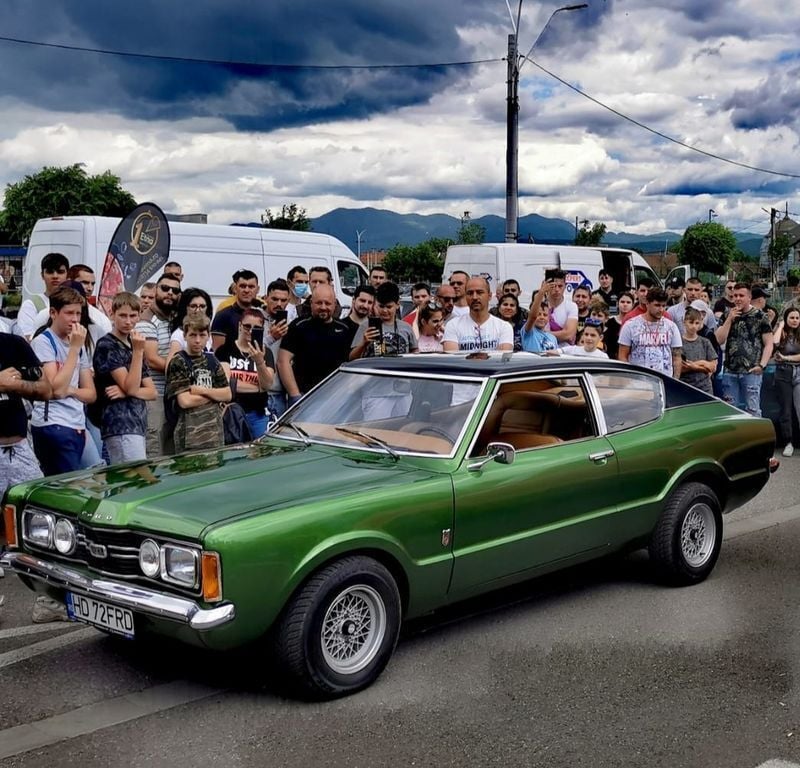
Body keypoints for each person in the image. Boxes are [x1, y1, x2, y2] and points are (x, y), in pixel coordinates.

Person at [29, 285, 97, 474]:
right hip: (52, 423)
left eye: (78, 313)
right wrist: (74, 349)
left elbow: (90, 393)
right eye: (69, 313)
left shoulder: (78, 344)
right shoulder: (43, 342)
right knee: (68, 484)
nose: (75, 319)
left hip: (77, 422)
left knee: (95, 474)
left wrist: (72, 391)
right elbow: (56, 390)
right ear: (53, 313)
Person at [92, 292, 157, 464]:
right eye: (122, 315)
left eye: (133, 316)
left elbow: (152, 392)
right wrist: (137, 352)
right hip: (119, 423)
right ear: (113, 315)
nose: (128, 321)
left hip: (137, 423)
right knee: (134, 478)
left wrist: (127, 392)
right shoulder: (107, 345)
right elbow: (131, 386)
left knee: (137, 477)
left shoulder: (134, 344)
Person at [166, 314, 231, 452]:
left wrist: (202, 391)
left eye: (202, 335)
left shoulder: (212, 361)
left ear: (208, 336)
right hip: (189, 435)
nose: (197, 340)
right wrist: (214, 396)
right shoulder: (179, 361)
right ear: (185, 336)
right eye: (193, 335)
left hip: (214, 434)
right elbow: (185, 401)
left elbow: (227, 394)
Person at [278, 284, 352, 405]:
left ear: (334, 304)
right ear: (311, 303)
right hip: (304, 397)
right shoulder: (298, 326)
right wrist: (295, 395)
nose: (323, 307)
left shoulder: (344, 329)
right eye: (319, 303)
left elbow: (348, 362)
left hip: (335, 397)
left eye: (327, 303)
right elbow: (283, 361)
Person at [135, 272, 181, 457]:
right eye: (165, 288)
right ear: (155, 290)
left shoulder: (171, 319)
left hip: (172, 395)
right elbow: (152, 359)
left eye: (175, 290)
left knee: (170, 450)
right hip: (154, 396)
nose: (170, 293)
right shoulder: (146, 321)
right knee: (154, 450)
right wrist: (182, 370)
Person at [0, 332, 51, 498]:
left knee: (37, 507)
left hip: (20, 448)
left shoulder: (14, 343)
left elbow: (46, 390)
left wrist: (15, 385)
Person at [714, 283, 774, 416]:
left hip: (752, 371)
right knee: (730, 410)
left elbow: (769, 343)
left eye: (741, 295)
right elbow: (719, 340)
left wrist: (762, 365)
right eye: (735, 295)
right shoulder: (727, 315)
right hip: (730, 370)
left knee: (753, 409)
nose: (737, 298)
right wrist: (729, 319)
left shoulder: (760, 316)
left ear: (749, 297)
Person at [216, 308, 274, 438]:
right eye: (247, 326)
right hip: (232, 412)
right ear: (239, 326)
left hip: (257, 413)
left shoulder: (266, 353)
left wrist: (259, 362)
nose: (251, 331)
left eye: (256, 328)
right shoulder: (225, 350)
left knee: (259, 452)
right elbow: (226, 382)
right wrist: (258, 388)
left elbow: (268, 384)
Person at [618, 287, 682, 378]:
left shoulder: (671, 327)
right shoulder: (630, 325)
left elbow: (677, 357)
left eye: (663, 306)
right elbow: (622, 356)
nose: (661, 310)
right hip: (638, 381)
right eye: (657, 305)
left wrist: (675, 381)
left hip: (665, 381)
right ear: (647, 304)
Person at [443, 277, 513, 352]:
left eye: (479, 292)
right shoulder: (453, 325)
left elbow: (503, 359)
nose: (474, 297)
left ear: (489, 296)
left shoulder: (504, 327)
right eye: (470, 293)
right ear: (466, 297)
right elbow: (452, 359)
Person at [351, 281, 418, 359]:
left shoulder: (406, 327)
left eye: (389, 307)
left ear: (397, 305)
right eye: (381, 306)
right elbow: (352, 358)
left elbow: (415, 353)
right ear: (376, 304)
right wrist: (363, 343)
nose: (385, 311)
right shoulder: (366, 326)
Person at [16, 253, 68, 340]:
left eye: (60, 272)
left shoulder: (74, 305)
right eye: (50, 272)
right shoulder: (31, 305)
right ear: (42, 275)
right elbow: (27, 339)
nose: (55, 276)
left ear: (67, 275)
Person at [262, 278, 292, 419]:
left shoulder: (290, 324)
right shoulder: (255, 321)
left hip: (282, 393)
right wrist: (271, 337)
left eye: (283, 300)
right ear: (266, 298)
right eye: (274, 299)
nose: (279, 304)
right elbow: (247, 351)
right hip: (261, 391)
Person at [772, 307, 800, 456]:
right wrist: (781, 325)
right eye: (792, 318)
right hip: (783, 373)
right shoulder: (781, 332)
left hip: (798, 371)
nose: (795, 320)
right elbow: (775, 343)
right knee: (786, 409)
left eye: (797, 318)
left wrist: (786, 358)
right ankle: (788, 442)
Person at [211, 270, 261, 351]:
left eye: (251, 287)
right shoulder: (223, 316)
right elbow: (218, 353)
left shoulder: (261, 315)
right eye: (242, 286)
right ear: (235, 288)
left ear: (258, 289)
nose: (246, 290)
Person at [529, 271, 578, 346]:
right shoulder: (539, 305)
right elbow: (531, 330)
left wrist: (542, 334)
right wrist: (561, 334)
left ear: (565, 286)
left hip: (565, 351)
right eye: (553, 286)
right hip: (541, 349)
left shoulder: (571, 306)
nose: (557, 289)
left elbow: (569, 335)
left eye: (560, 286)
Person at [167, 288, 214, 362]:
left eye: (202, 306)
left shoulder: (208, 332)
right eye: (193, 306)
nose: (198, 310)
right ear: (185, 308)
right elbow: (170, 367)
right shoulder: (179, 334)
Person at [679, 307, 717, 395]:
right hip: (685, 387)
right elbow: (681, 367)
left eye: (697, 323)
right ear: (684, 322)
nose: (694, 326)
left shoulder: (705, 342)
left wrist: (695, 365)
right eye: (691, 322)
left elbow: (713, 367)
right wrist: (703, 366)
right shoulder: (679, 343)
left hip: (705, 388)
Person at [602, 291, 634, 360]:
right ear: (617, 303)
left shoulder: (635, 323)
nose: (625, 304)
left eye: (628, 302)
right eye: (622, 302)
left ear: (633, 305)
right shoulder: (610, 322)